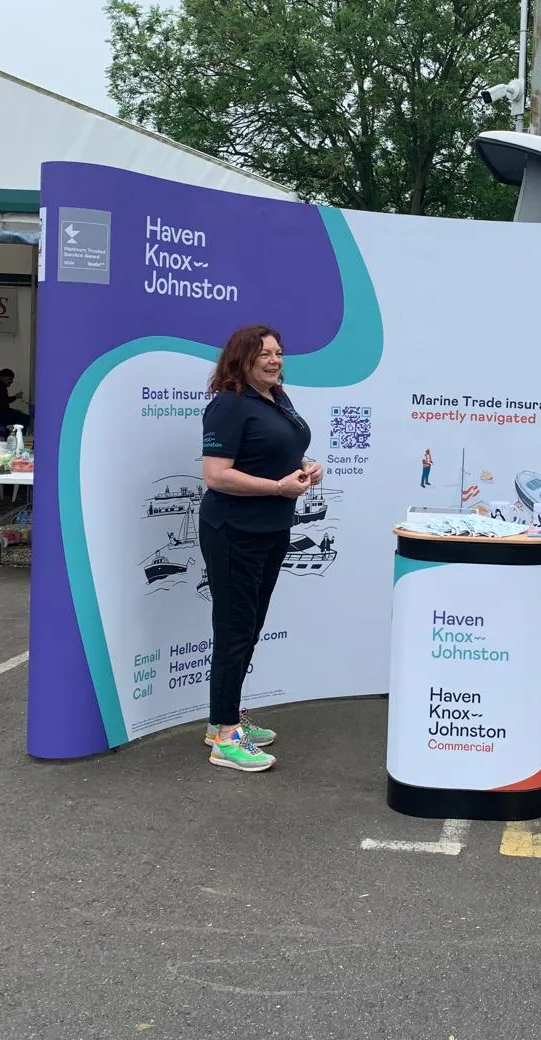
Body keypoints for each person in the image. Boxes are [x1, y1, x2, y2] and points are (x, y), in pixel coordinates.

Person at [198, 324, 323, 772]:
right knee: (234, 631)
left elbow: (277, 451)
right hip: (233, 531)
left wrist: (304, 468)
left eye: (279, 352)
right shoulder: (228, 405)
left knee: (247, 629)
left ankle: (221, 721)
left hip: (270, 528)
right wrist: (277, 487)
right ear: (241, 359)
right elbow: (215, 475)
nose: (275, 360)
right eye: (264, 354)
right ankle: (226, 739)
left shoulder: (275, 397)